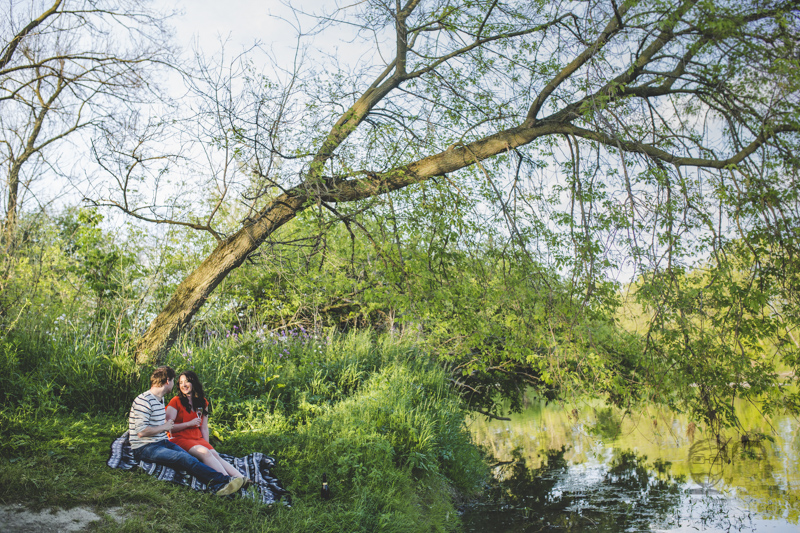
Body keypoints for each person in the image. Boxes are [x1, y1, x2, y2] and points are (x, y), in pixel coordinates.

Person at [128, 366, 244, 496]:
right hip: (144, 447)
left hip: (161, 442)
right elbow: (141, 432)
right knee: (183, 458)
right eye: (174, 381)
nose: (176, 384)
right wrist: (165, 427)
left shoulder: (160, 400)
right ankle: (223, 482)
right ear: (168, 381)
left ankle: (227, 482)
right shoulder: (143, 400)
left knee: (190, 458)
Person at [166, 371, 248, 484]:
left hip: (196, 438)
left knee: (214, 454)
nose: (183, 385)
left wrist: (207, 445)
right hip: (180, 438)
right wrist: (189, 424)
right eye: (181, 383)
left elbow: (204, 428)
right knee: (205, 452)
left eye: (187, 381)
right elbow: (169, 428)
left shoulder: (202, 402)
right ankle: (228, 481)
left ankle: (242, 479)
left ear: (194, 383)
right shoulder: (175, 401)